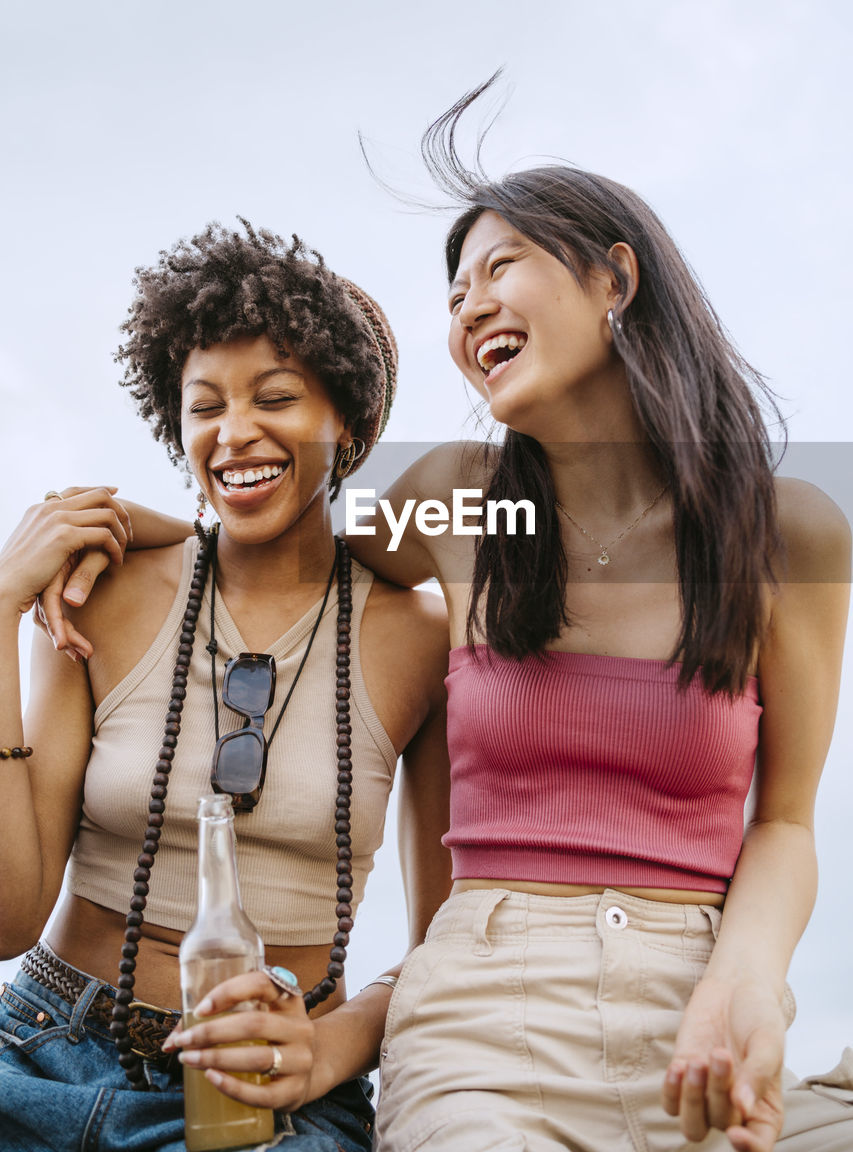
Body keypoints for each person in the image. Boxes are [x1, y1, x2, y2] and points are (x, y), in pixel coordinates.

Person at [41, 85, 853, 1151]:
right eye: (454, 289)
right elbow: (283, 532)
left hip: (700, 1009)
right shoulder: (463, 496)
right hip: (484, 1021)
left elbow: (785, 821)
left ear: (615, 276)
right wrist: (121, 526)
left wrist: (746, 979)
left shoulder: (789, 532)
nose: (467, 306)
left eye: (498, 265)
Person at [0, 221, 451, 1152]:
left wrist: (329, 1044)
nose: (234, 431)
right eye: (204, 407)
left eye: (276, 398)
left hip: (265, 1091)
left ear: (351, 425)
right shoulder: (105, 594)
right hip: (40, 1047)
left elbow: (441, 949)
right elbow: (8, 916)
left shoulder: (418, 639)